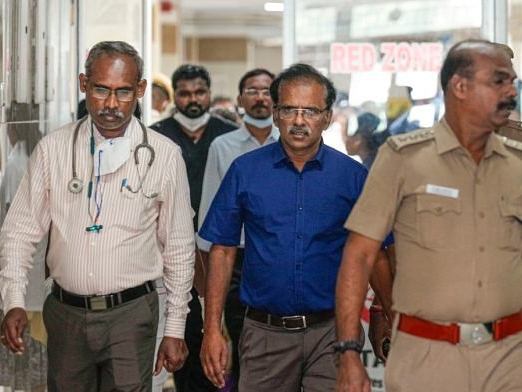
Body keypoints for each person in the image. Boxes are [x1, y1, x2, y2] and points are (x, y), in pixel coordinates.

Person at [335, 39, 522, 392]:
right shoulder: (403, 158)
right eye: (499, 81)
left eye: (512, 82)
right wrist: (350, 352)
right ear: (460, 87)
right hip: (427, 356)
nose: (511, 92)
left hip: (510, 356)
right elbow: (360, 255)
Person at [0, 41, 195, 390]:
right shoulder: (53, 150)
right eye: (101, 89)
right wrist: (13, 301)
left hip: (132, 316)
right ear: (83, 84)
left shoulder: (164, 156)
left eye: (123, 92)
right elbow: (19, 231)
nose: (111, 104)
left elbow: (179, 249)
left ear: (140, 90)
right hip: (67, 313)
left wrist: (175, 328)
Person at [198, 63, 388, 392]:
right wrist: (212, 327)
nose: (299, 121)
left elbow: (375, 253)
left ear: (327, 117)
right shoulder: (245, 171)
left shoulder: (352, 177)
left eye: (310, 111)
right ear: (276, 113)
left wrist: (384, 312)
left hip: (334, 334)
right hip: (264, 334)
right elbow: (223, 251)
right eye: (290, 110)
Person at [151, 64, 237, 392]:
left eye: (199, 92)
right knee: (181, 332)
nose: (193, 99)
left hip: (221, 249)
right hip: (171, 252)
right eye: (185, 93)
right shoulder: (157, 136)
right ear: (176, 95)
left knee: (219, 335)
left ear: (209, 93)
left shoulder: (227, 134)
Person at [196, 68, 278, 391]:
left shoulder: (288, 144)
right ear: (240, 99)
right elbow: (210, 217)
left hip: (272, 258)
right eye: (252, 91)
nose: (260, 98)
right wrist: (205, 286)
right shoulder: (223, 146)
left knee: (274, 345)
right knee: (245, 343)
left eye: (267, 91)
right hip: (235, 262)